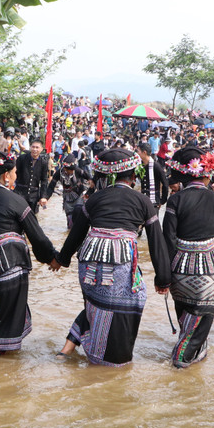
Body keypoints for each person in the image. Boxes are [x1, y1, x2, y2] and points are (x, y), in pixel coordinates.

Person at [56, 149, 170, 366]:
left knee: (95, 306)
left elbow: (76, 234)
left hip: (89, 263)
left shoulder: (94, 199)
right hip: (119, 263)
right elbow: (157, 241)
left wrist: (61, 259)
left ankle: (74, 348)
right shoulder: (143, 201)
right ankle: (110, 362)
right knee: (128, 305)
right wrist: (163, 279)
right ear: (134, 176)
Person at [0, 151, 60, 357]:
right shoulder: (16, 201)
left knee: (0, 314)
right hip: (9, 271)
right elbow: (37, 237)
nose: (16, 175)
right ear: (6, 176)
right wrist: (52, 258)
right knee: (8, 323)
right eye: (15, 172)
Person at [163, 148, 214, 366]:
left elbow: (168, 239)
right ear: (206, 174)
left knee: (186, 323)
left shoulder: (175, 200)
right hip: (206, 271)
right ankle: (180, 361)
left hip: (179, 271)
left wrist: (164, 275)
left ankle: (189, 357)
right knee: (199, 326)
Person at [41, 153, 91, 228]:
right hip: (67, 197)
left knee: (78, 211)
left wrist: (90, 186)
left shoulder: (77, 170)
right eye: (68, 170)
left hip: (78, 195)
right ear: (65, 168)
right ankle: (70, 232)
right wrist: (46, 198)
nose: (70, 172)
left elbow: (89, 177)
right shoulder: (58, 173)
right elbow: (51, 187)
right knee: (70, 220)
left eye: (72, 170)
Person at [14, 139, 49, 214]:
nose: (35, 149)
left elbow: (44, 180)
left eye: (37, 147)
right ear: (30, 147)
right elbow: (15, 173)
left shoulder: (43, 162)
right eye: (33, 147)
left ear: (41, 149)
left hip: (34, 195)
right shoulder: (22, 158)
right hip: (20, 192)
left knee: (32, 216)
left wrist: (43, 196)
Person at [137, 143, 169, 209]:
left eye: (138, 151)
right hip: (143, 200)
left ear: (144, 152)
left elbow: (165, 183)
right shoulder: (140, 166)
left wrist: (162, 200)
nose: (137, 153)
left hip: (154, 201)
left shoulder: (156, 166)